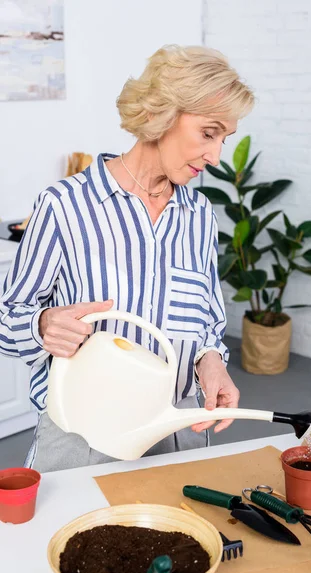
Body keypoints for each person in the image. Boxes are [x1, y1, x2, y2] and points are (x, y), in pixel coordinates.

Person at [0, 45, 254, 472]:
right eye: (208, 133)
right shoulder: (65, 205)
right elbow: (8, 318)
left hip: (176, 431)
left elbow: (208, 322)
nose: (216, 157)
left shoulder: (199, 216)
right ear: (164, 114)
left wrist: (212, 362)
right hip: (82, 434)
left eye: (223, 139)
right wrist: (42, 325)